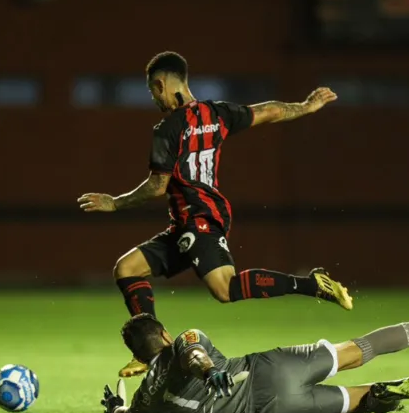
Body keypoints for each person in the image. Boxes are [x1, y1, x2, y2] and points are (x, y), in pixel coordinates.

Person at [77, 51, 351, 378]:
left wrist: (115, 202)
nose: (154, 99)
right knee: (127, 269)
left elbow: (157, 185)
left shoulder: (166, 128)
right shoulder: (218, 113)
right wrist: (306, 107)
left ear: (161, 84)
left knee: (224, 289)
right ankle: (152, 350)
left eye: (153, 92)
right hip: (187, 221)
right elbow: (269, 111)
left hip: (200, 217)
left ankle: (312, 285)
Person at [100, 313, 409, 413]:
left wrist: (117, 404)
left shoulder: (145, 398)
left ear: (135, 354)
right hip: (272, 367)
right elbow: (194, 356)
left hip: (270, 411)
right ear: (164, 333)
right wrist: (210, 371)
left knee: (352, 403)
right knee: (361, 348)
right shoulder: (186, 336)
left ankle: (380, 394)